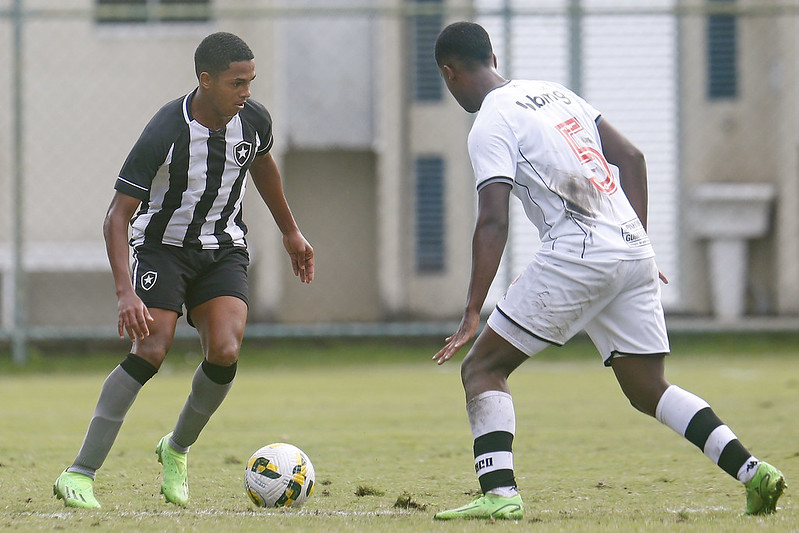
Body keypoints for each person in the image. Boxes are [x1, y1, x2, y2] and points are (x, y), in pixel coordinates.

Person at [431, 21, 785, 520]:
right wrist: (635, 237)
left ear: (449, 73)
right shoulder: (554, 93)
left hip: (577, 253)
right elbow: (632, 157)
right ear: (492, 56)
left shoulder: (489, 123)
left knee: (482, 367)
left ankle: (500, 494)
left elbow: (493, 219)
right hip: (631, 249)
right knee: (648, 388)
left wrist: (472, 311)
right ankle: (754, 472)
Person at [53, 32, 314, 509]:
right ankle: (80, 473)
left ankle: (176, 449)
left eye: (251, 81)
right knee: (152, 348)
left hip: (222, 247)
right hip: (163, 249)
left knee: (225, 350)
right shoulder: (165, 130)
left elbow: (263, 168)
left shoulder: (252, 120)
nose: (247, 92)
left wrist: (290, 231)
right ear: (206, 80)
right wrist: (124, 293)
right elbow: (117, 215)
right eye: (238, 83)